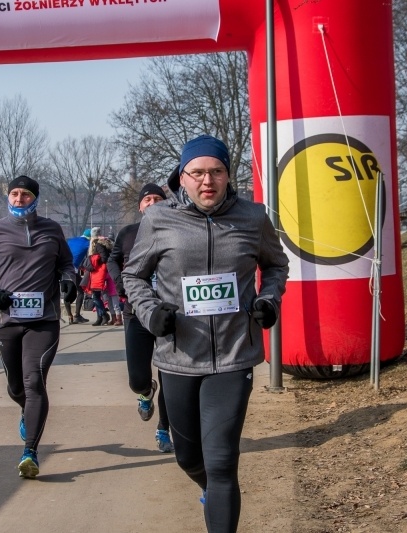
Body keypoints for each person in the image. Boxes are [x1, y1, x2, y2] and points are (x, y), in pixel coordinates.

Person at [122, 135, 289, 532]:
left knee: (220, 461)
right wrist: (150, 314)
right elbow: (133, 275)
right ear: (182, 178)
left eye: (216, 171)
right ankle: (211, 492)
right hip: (179, 357)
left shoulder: (253, 217)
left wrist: (268, 301)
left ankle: (218, 500)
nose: (207, 181)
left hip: (234, 356)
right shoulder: (158, 219)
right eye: (197, 173)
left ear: (228, 175)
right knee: (189, 459)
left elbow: (277, 265)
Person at [0, 175, 76, 479]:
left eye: (25, 195)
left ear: (35, 199)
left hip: (44, 321)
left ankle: (30, 452)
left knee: (34, 382)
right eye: (14, 194)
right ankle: (25, 411)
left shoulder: (51, 230)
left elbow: (66, 264)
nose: (18, 199)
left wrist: (69, 280)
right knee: (16, 387)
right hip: (7, 320)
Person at [107, 182, 174, 453]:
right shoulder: (128, 233)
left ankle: (164, 429)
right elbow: (112, 260)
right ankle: (146, 392)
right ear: (140, 206)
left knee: (171, 376)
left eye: (158, 198)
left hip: (171, 315)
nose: (153, 203)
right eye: (147, 199)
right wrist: (122, 286)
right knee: (137, 378)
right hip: (136, 314)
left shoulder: (176, 229)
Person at [65, 229, 92, 324]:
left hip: (63, 267)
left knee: (66, 292)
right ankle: (77, 315)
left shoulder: (71, 240)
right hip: (73, 269)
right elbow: (89, 257)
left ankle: (70, 316)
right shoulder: (88, 243)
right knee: (80, 291)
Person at [88, 229, 113, 326]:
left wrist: (95, 262)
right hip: (99, 272)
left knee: (96, 296)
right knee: (97, 296)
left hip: (98, 272)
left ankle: (104, 315)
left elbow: (103, 257)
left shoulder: (98, 244)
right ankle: (100, 318)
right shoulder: (102, 243)